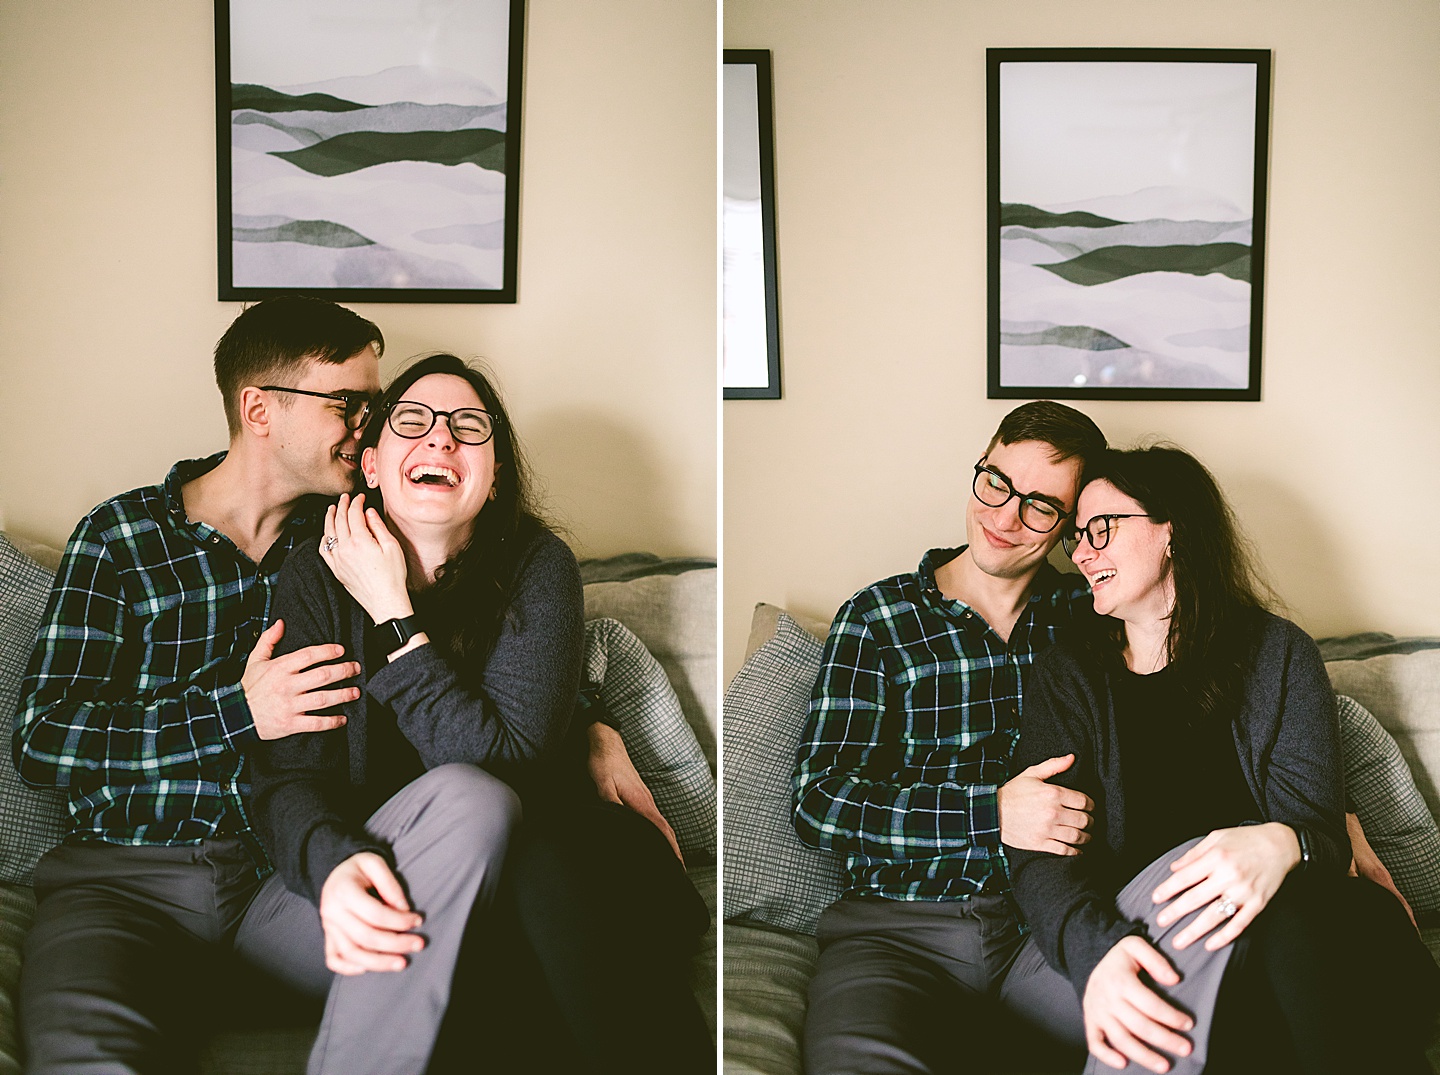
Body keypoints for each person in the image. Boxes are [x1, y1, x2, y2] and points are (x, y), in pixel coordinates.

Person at [12, 299, 659, 1074]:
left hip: (284, 882)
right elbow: (41, 738)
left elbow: (483, 631)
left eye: (374, 408)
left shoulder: (356, 534)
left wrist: (590, 718)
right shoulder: (124, 539)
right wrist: (235, 711)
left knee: (480, 853)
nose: (369, 424)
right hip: (127, 887)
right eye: (350, 404)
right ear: (259, 409)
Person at [249, 353, 712, 1075]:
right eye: (414, 421)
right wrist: (334, 863)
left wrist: (395, 615)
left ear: (493, 478)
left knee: (532, 876)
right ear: (371, 464)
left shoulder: (538, 564)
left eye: (469, 427)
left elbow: (511, 767)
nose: (441, 440)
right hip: (412, 866)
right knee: (484, 953)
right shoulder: (314, 572)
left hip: (562, 852)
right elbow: (289, 775)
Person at [1006, 446, 1440, 1075]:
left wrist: (1280, 844)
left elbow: (1318, 831)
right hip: (1145, 923)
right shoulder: (1068, 675)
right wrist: (1099, 950)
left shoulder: (1278, 655)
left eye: (1101, 528)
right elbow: (1044, 858)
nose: (1080, 552)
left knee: (1311, 920)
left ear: (1171, 529)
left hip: (1288, 917)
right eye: (1076, 537)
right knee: (1305, 932)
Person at [792, 401, 1108, 1074]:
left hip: (1049, 930)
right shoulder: (880, 617)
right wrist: (991, 811)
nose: (1004, 516)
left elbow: (1222, 678)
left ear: (1069, 526)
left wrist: (1319, 812)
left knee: (1184, 1030)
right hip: (896, 938)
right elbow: (818, 802)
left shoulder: (1092, 617)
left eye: (1041, 506)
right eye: (995, 481)